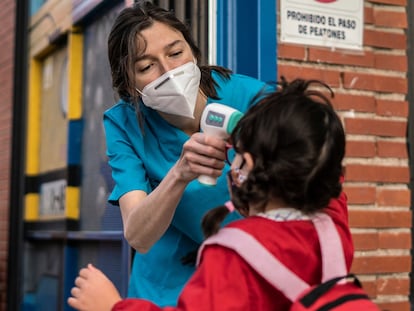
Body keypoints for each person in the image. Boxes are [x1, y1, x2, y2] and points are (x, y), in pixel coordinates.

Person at [68, 77, 354, 311]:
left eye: (238, 155)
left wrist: (113, 306)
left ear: (245, 168)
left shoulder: (230, 256)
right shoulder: (332, 232)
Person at [103, 0, 275, 306]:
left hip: (248, 268)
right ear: (129, 85)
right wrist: (179, 174)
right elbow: (138, 235)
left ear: (193, 51)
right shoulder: (123, 123)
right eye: (146, 66)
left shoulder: (253, 98)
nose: (169, 71)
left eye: (175, 53)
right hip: (166, 286)